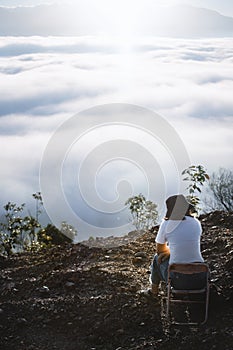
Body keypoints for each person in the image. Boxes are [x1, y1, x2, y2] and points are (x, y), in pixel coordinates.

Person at [145, 194, 205, 299]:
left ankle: (153, 292)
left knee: (156, 258)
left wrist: (167, 252)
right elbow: (185, 245)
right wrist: (170, 252)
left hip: (178, 281)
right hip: (200, 279)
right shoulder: (196, 223)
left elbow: (160, 250)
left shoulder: (166, 224)